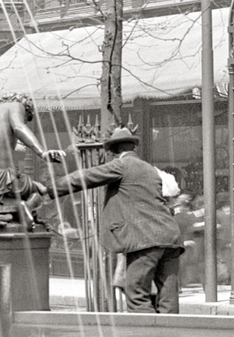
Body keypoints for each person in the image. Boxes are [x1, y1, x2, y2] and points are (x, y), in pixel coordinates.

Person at [51, 126, 184, 313]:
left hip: (145, 239)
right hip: (170, 237)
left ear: (113, 151)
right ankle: (170, 335)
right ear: (133, 147)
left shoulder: (122, 165)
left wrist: (51, 188)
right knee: (168, 297)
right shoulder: (149, 168)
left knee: (137, 295)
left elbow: (86, 177)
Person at [0, 93, 65, 224]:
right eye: (26, 119)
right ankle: (17, 214)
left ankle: (9, 213)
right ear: (26, 110)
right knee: (41, 191)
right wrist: (43, 153)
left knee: (27, 183)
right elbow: (19, 127)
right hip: (0, 179)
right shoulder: (17, 106)